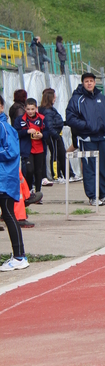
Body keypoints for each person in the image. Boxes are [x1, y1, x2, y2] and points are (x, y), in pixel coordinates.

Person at [65, 72, 105, 207]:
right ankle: (93, 196)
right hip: (87, 139)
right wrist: (86, 126)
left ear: (95, 83)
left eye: (91, 81)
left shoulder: (101, 97)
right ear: (83, 83)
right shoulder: (77, 99)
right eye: (86, 81)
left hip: (102, 137)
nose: (89, 83)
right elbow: (70, 118)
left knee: (104, 167)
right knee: (90, 168)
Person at [0, 94, 28, 271]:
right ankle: (18, 255)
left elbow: (11, 151)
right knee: (8, 214)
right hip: (4, 177)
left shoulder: (4, 126)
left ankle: (19, 256)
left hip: (4, 178)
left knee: (9, 214)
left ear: (1, 107)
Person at [39, 88, 81, 184]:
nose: (55, 98)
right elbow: (49, 126)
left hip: (57, 134)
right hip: (53, 136)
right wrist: (55, 135)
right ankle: (56, 176)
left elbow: (55, 122)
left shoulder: (51, 109)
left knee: (62, 155)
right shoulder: (47, 111)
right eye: (54, 96)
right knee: (55, 155)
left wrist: (66, 123)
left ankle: (68, 174)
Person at [13, 97, 47, 194]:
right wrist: (27, 131)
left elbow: (48, 132)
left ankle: (38, 192)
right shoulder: (20, 119)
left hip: (39, 149)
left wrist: (42, 135)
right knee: (29, 170)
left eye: (32, 109)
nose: (30, 111)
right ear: (24, 108)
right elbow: (16, 133)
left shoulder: (42, 118)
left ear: (36, 108)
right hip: (27, 149)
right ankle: (28, 191)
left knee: (38, 171)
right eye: (28, 109)